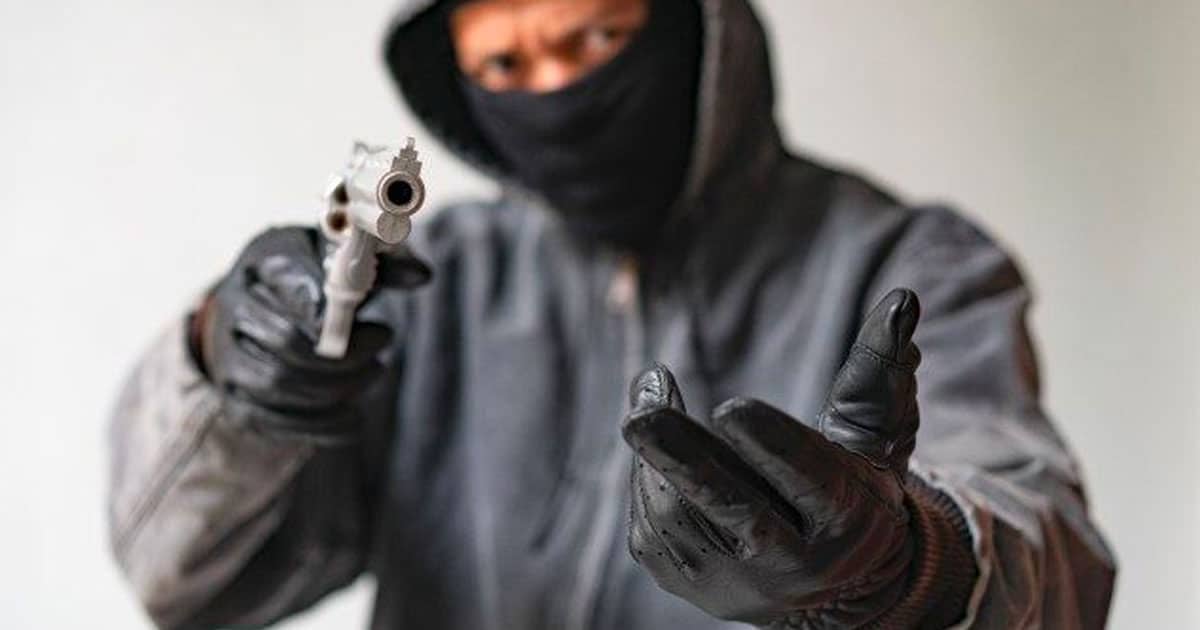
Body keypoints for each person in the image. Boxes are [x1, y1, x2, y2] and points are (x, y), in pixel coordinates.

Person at [107, 0, 1116, 627]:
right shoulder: (431, 284)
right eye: (504, 68)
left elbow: (1056, 560)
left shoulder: (911, 263)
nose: (556, 93)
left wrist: (907, 564)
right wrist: (230, 381)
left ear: (695, 28)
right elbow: (183, 581)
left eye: (596, 37)